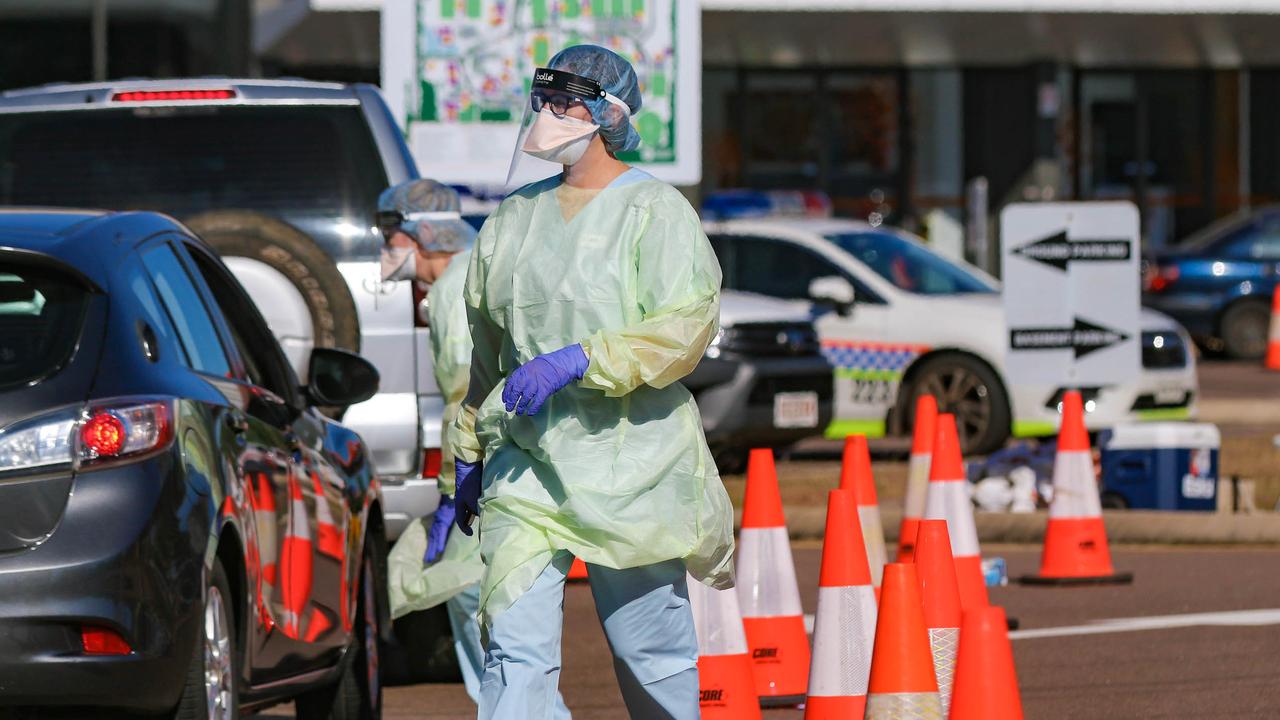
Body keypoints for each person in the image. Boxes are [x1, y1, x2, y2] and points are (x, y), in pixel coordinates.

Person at [447, 45, 735, 719]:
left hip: (629, 462)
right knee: (513, 653)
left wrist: (583, 358)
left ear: (609, 112)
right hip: (526, 468)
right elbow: (488, 356)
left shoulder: (654, 211)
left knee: (651, 657)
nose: (547, 115)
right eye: (542, 100)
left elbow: (687, 324)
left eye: (565, 101)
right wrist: (470, 455)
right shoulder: (513, 218)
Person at [380, 180, 573, 716]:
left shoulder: (451, 292)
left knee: (482, 607)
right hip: (509, 463)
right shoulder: (472, 275)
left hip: (491, 470)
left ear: (420, 233)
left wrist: (452, 488)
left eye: (389, 232)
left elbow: (467, 398)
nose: (385, 248)